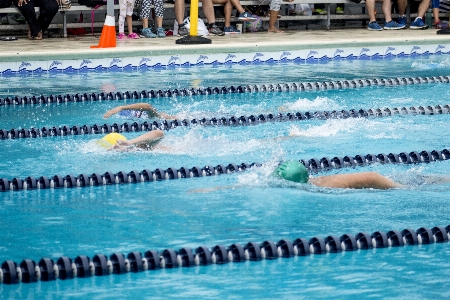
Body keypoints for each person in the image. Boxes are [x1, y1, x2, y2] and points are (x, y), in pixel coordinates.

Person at [97, 131, 165, 151]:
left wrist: (129, 143)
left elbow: (159, 133)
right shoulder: (140, 148)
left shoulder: (139, 147)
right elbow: (159, 133)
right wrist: (130, 143)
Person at [103, 103, 175, 120]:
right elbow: (148, 106)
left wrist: (122, 108)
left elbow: (148, 106)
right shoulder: (157, 116)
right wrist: (122, 108)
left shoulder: (154, 116)